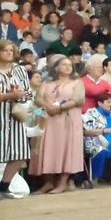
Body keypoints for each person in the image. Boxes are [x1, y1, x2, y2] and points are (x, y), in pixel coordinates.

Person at [31, 55, 85, 194]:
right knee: (47, 148)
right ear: (56, 67)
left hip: (68, 120)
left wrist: (60, 108)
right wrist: (48, 106)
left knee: (67, 149)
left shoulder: (76, 82)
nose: (68, 66)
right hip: (49, 119)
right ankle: (48, 183)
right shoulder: (47, 82)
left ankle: (63, 183)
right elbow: (38, 99)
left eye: (69, 65)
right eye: (64, 64)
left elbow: (78, 99)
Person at [0, 39, 33, 198]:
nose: (9, 53)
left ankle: (3, 187)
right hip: (0, 115)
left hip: (16, 116)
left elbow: (28, 92)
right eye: (5, 50)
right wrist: (8, 95)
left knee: (20, 153)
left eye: (11, 50)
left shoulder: (19, 70)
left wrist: (21, 96)